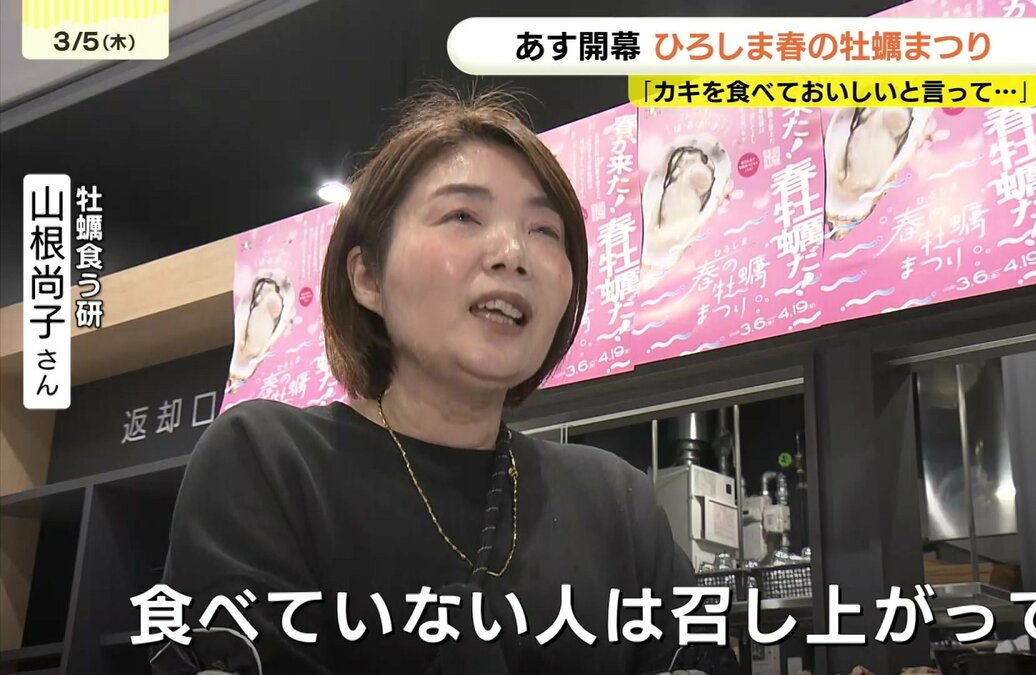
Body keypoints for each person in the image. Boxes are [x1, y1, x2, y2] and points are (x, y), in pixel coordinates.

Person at [150, 87, 736, 675]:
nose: (512, 252)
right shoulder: (268, 461)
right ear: (368, 277)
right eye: (462, 216)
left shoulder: (617, 502)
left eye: (544, 230)